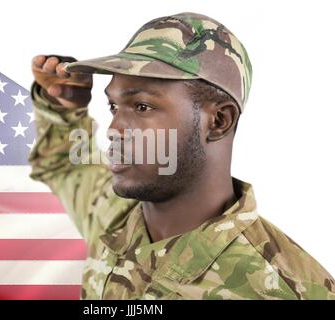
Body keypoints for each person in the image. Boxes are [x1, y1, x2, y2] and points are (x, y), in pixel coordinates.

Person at [28, 12, 334, 299]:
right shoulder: (116, 218)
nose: (114, 129)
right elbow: (63, 167)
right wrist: (63, 109)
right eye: (113, 107)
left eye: (142, 107)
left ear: (218, 121)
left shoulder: (286, 288)